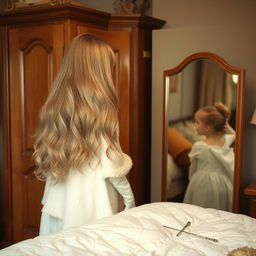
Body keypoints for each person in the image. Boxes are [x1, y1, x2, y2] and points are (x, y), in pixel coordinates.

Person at [33, 34, 135, 235]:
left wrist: (48, 201)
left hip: (58, 206)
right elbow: (112, 167)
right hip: (94, 205)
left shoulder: (55, 110)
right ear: (100, 72)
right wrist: (129, 200)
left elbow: (51, 170)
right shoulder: (100, 116)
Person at [183, 102, 235, 211]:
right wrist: (227, 125)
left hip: (202, 184)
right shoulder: (226, 141)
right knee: (220, 212)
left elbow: (193, 168)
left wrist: (192, 180)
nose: (195, 125)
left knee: (200, 211)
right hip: (223, 184)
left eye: (197, 122)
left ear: (207, 127)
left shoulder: (199, 146)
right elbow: (236, 134)